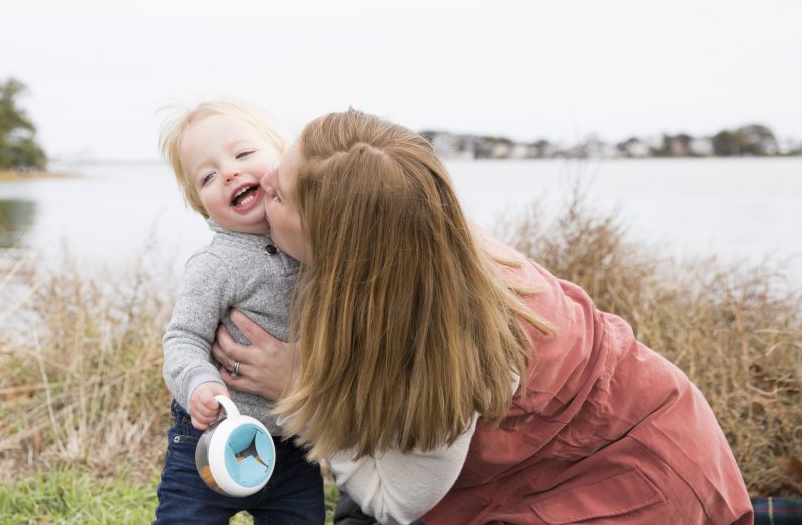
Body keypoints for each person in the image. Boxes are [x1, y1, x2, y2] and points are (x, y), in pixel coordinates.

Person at [212, 108, 754, 525]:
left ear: (334, 241)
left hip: (635, 481)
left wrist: (302, 388)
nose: (260, 188)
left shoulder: (438, 331)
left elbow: (392, 501)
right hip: (556, 455)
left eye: (278, 194)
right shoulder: (401, 234)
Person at [153, 99, 324, 524]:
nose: (229, 171)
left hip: (294, 444)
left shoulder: (312, 243)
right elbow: (183, 338)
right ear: (200, 204)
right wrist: (198, 382)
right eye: (208, 176)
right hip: (212, 436)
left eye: (244, 154)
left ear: (283, 160)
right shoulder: (216, 265)